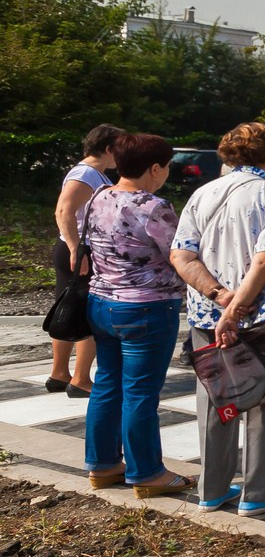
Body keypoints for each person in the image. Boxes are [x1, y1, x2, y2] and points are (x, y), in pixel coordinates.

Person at [168, 121, 265, 515]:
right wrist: (238, 305)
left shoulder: (201, 194)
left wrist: (220, 297)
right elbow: (264, 261)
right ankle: (259, 493)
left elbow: (181, 256)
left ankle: (212, 489)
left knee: (214, 395)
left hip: (205, 312)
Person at [82, 132, 192, 498]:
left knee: (106, 385)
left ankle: (103, 465)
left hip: (100, 303)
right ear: (155, 168)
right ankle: (147, 472)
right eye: (168, 167)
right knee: (141, 393)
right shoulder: (153, 206)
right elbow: (178, 254)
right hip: (146, 307)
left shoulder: (98, 196)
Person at [48, 123, 122, 398]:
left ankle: (59, 373)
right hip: (81, 250)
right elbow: (64, 211)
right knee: (87, 313)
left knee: (66, 308)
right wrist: (75, 249)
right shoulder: (87, 173)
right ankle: (80, 379)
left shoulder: (91, 173)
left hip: (77, 249)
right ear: (107, 148)